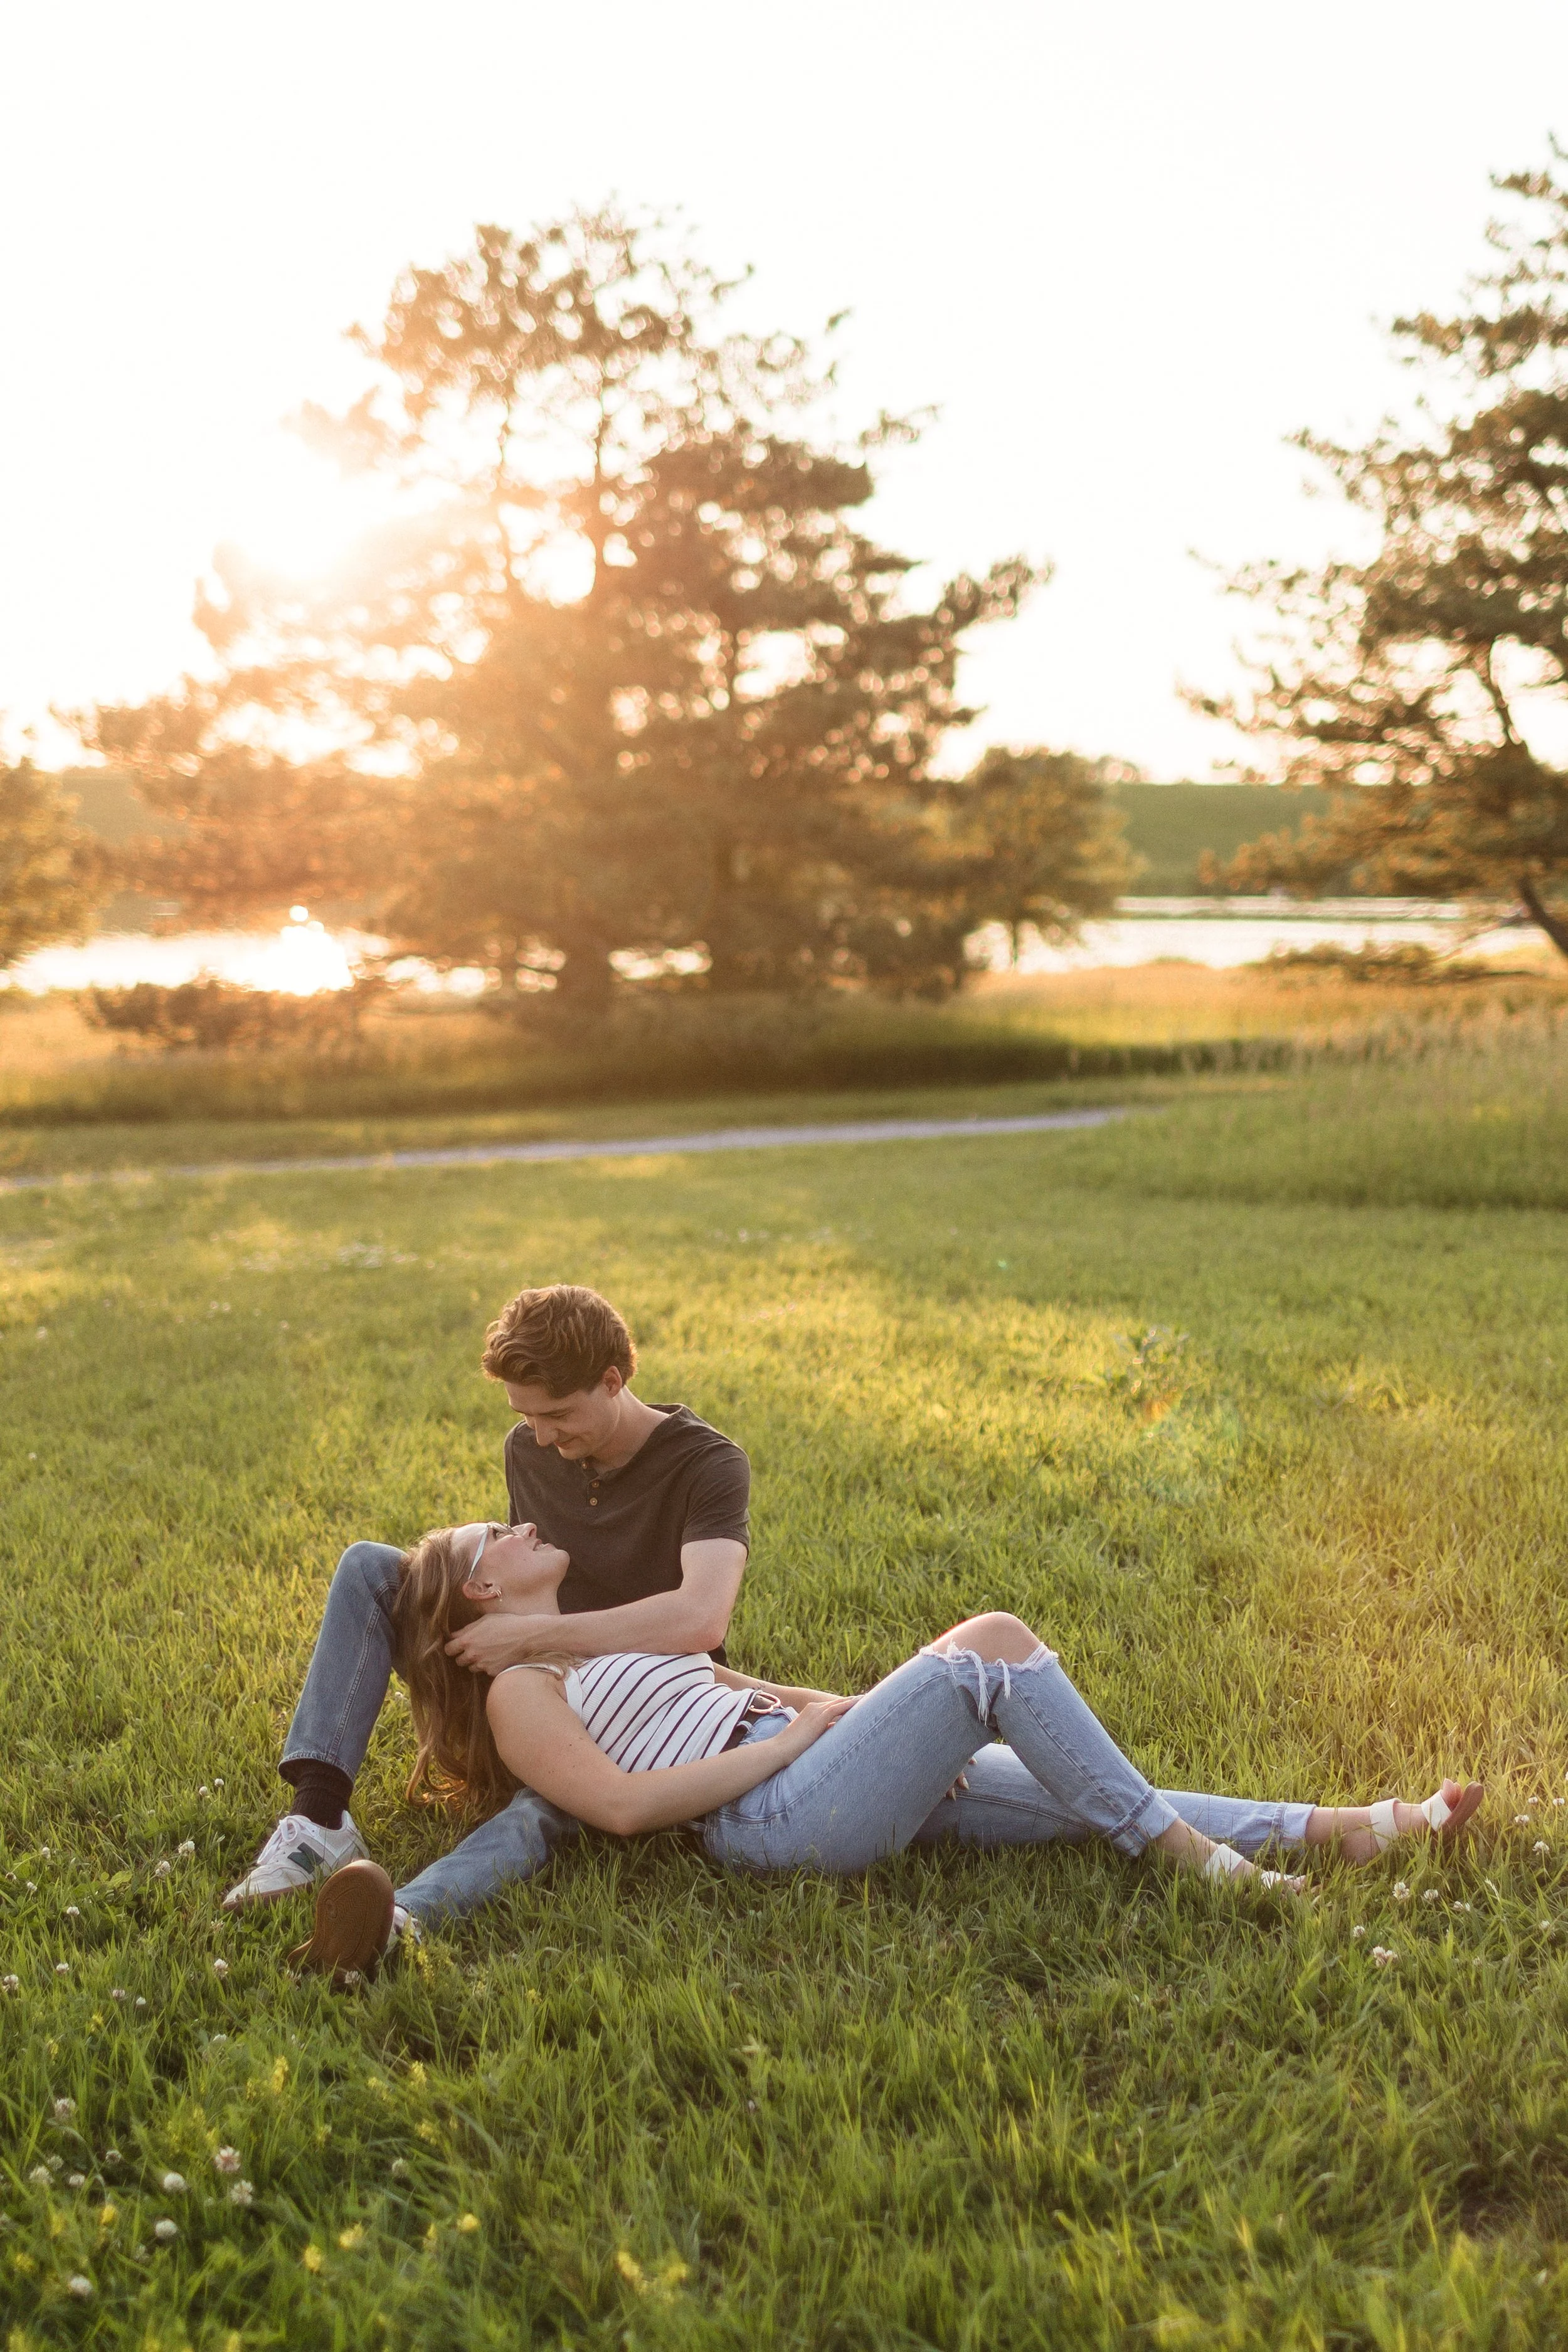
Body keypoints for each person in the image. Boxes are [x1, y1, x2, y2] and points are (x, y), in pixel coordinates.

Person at [285, 1515, 1485, 1982]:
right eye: (494, 1532)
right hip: (769, 1819)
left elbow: (754, 1690)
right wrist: (803, 1741)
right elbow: (624, 1810)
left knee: (1075, 1788)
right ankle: (1196, 1862)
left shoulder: (603, 1638)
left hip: (816, 1770)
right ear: (481, 1601)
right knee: (994, 1642)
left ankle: (1361, 1831)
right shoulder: (521, 1699)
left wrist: (874, 1729)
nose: (520, 1518)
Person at [224, 1283, 752, 1929]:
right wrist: (511, 1646)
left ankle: (402, 1921)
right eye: (526, 1415)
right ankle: (318, 1817)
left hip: (635, 1702)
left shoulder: (708, 1464)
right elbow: (517, 1582)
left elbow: (701, 1619)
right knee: (370, 1567)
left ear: (612, 1380)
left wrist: (528, 1641)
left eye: (556, 1414)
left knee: (540, 1808)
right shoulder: (528, 1449)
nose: (540, 1435)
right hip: (530, 1683)